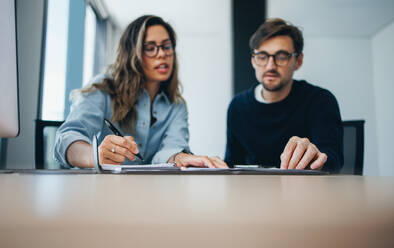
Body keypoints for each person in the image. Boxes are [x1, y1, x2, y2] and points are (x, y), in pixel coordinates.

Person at [54, 15, 227, 169]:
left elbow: (169, 150)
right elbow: (65, 139)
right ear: (133, 54)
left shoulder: (176, 105)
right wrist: (95, 155)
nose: (162, 54)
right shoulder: (103, 88)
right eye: (150, 48)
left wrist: (180, 157)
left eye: (166, 46)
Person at [225, 18, 343, 173]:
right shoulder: (238, 106)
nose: (270, 66)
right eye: (262, 56)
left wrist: (316, 158)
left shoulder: (320, 100)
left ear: (298, 61)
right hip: (253, 192)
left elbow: (334, 160)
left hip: (304, 192)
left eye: (281, 56)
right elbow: (231, 164)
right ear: (253, 61)